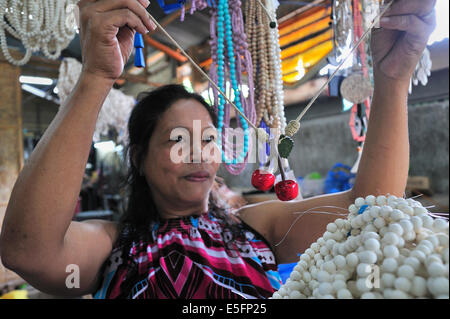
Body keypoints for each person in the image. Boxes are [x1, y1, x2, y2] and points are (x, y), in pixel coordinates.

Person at [0, 0, 437, 298]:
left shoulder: (255, 226)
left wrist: (393, 78)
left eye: (209, 140)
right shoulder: (111, 246)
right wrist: (96, 76)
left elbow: (372, 210)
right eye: (178, 141)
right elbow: (27, 250)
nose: (200, 153)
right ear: (138, 158)